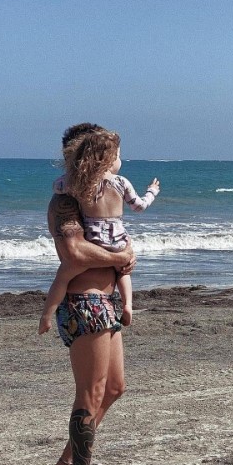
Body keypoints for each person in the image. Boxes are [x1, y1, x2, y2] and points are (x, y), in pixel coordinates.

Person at [43, 122, 137, 465]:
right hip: (84, 303)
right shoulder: (65, 203)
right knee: (90, 393)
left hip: (106, 301)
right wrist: (119, 257)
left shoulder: (102, 193)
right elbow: (75, 255)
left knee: (114, 388)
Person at [39, 128, 159, 333]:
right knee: (124, 273)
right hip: (118, 240)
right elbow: (139, 206)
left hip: (95, 239)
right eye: (119, 156)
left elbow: (58, 185)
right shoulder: (121, 182)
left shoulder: (82, 184)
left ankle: (46, 316)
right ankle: (128, 305)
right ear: (109, 159)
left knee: (62, 277)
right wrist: (152, 192)